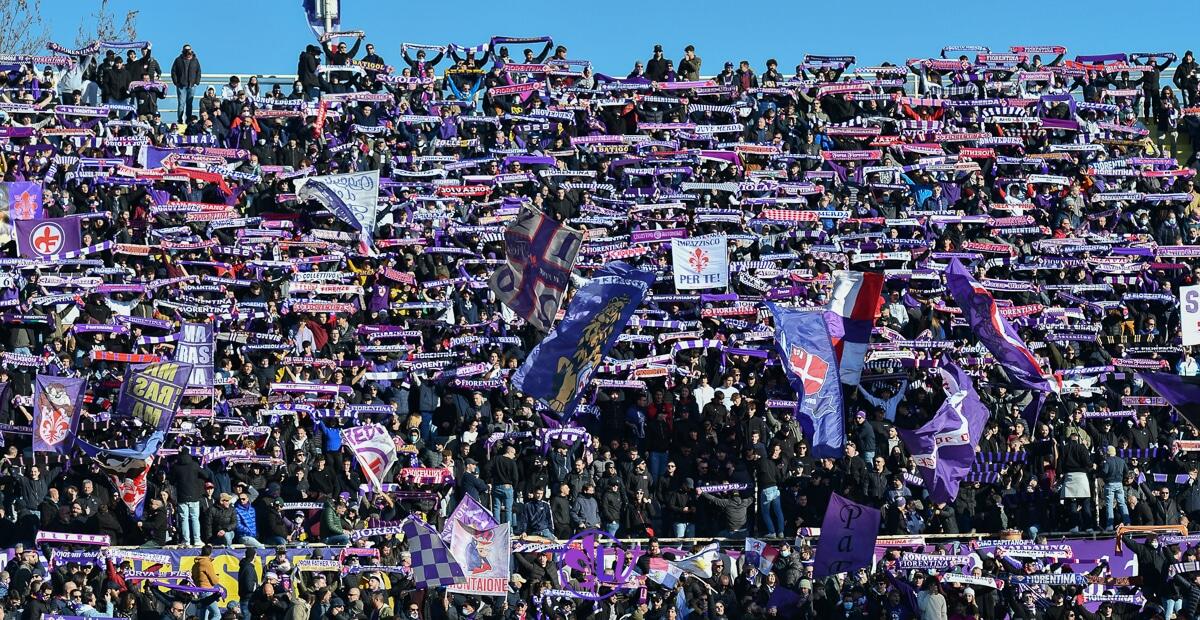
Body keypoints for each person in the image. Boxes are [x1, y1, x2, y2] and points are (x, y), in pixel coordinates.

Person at [170, 44, 201, 124]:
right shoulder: (178, 60)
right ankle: (180, 120)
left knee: (189, 104)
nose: (187, 52)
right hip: (181, 86)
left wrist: (196, 82)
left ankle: (188, 120)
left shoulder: (195, 60)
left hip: (192, 85)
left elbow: (198, 71)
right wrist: (176, 82)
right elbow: (173, 71)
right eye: (186, 50)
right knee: (181, 104)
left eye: (189, 49)